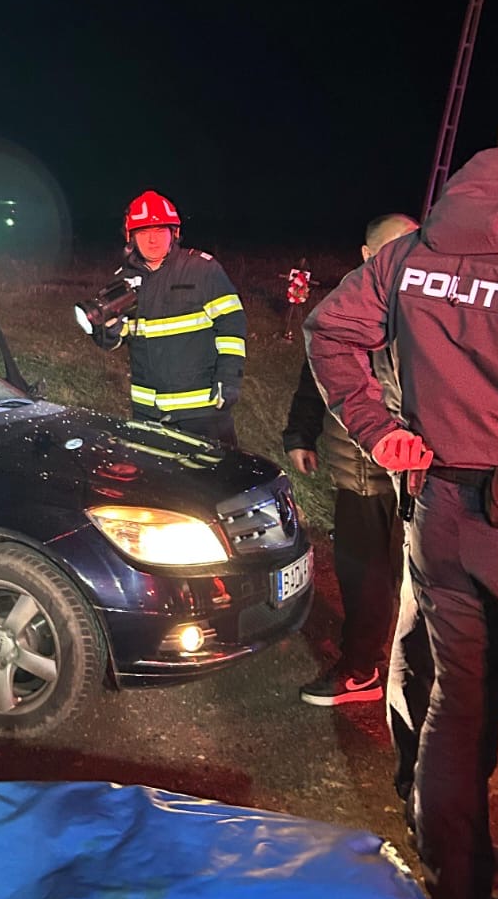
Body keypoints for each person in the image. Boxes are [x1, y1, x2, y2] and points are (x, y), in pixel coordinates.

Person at [305, 147, 498, 899]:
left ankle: (456, 889)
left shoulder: (414, 253)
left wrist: (379, 429)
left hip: (444, 507)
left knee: (459, 699)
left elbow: (329, 331)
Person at [282, 213, 417, 706]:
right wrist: (301, 434)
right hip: (361, 466)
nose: (405, 258)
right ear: (367, 255)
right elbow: (316, 372)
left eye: (414, 246)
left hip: (413, 470)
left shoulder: (429, 303)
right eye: (393, 248)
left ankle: (380, 669)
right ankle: (363, 666)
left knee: (400, 574)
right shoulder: (352, 304)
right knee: (365, 573)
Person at [86, 189, 246, 445]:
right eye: (144, 232)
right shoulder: (123, 281)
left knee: (214, 470)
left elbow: (232, 324)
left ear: (175, 233)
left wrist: (229, 378)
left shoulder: (203, 269)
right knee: (152, 470)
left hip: (202, 408)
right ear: (130, 237)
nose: (153, 240)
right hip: (148, 410)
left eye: (160, 231)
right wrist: (109, 331)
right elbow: (115, 337)